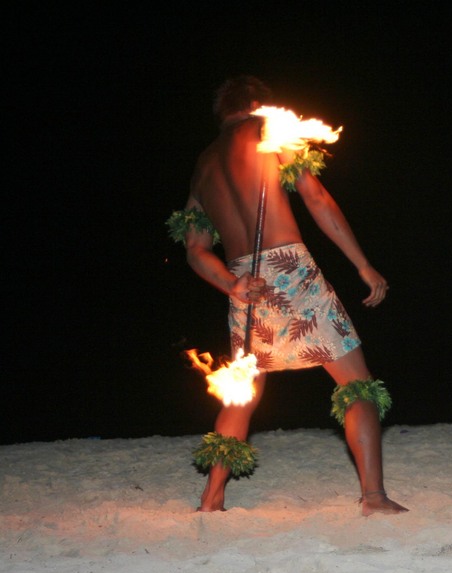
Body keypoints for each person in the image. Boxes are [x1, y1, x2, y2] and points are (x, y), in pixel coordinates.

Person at [170, 75, 407, 516]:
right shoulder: (271, 129)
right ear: (259, 104)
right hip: (290, 268)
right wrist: (362, 263)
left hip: (242, 279)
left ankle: (211, 497)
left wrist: (231, 284)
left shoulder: (203, 165)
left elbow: (195, 250)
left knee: (243, 392)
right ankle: (374, 498)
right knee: (356, 383)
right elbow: (316, 198)